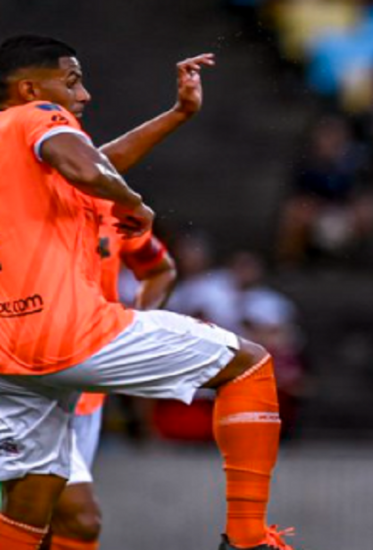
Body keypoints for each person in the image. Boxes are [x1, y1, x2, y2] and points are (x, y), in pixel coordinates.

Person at [0, 35, 297, 550]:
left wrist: (177, 114)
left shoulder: (14, 155)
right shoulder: (37, 116)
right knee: (250, 365)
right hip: (69, 332)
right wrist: (134, 202)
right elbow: (86, 167)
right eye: (73, 81)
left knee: (37, 497)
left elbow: (93, 163)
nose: (84, 95)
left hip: (9, 350)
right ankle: (248, 538)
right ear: (30, 88)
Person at [42, 52, 213, 550]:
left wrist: (129, 326)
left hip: (83, 386)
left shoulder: (101, 206)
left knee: (58, 521)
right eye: (72, 84)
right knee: (77, 517)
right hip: (28, 363)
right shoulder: (25, 188)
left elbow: (159, 268)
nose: (84, 98)